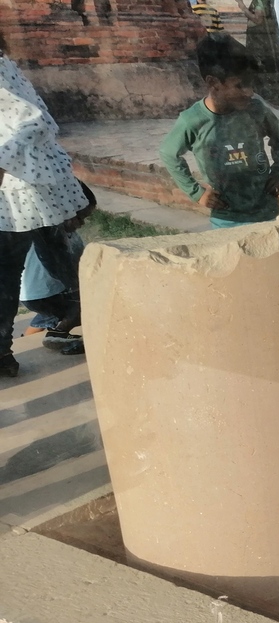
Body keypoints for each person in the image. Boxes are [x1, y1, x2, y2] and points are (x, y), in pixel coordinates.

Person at [0, 32, 88, 378]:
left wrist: (2, 161)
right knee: (23, 270)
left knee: (62, 267)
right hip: (19, 190)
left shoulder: (1, 69)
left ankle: (106, 322)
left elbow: (37, 120)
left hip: (29, 188)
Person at [159, 35, 279, 229]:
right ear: (213, 83)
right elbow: (169, 153)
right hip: (227, 218)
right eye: (239, 85)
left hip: (267, 211)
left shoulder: (256, 110)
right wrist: (197, 193)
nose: (249, 92)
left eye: (251, 84)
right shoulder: (193, 120)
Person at [21, 182, 96, 356]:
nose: (82, 223)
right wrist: (77, 289)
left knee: (50, 314)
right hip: (47, 294)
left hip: (32, 296)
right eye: (80, 217)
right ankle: (58, 333)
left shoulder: (38, 227)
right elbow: (59, 266)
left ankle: (28, 337)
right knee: (89, 304)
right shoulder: (54, 236)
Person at [237, 0, 279, 106]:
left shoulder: (260, 1)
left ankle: (268, 100)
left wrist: (242, 6)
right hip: (264, 45)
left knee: (261, 74)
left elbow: (257, 19)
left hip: (261, 46)